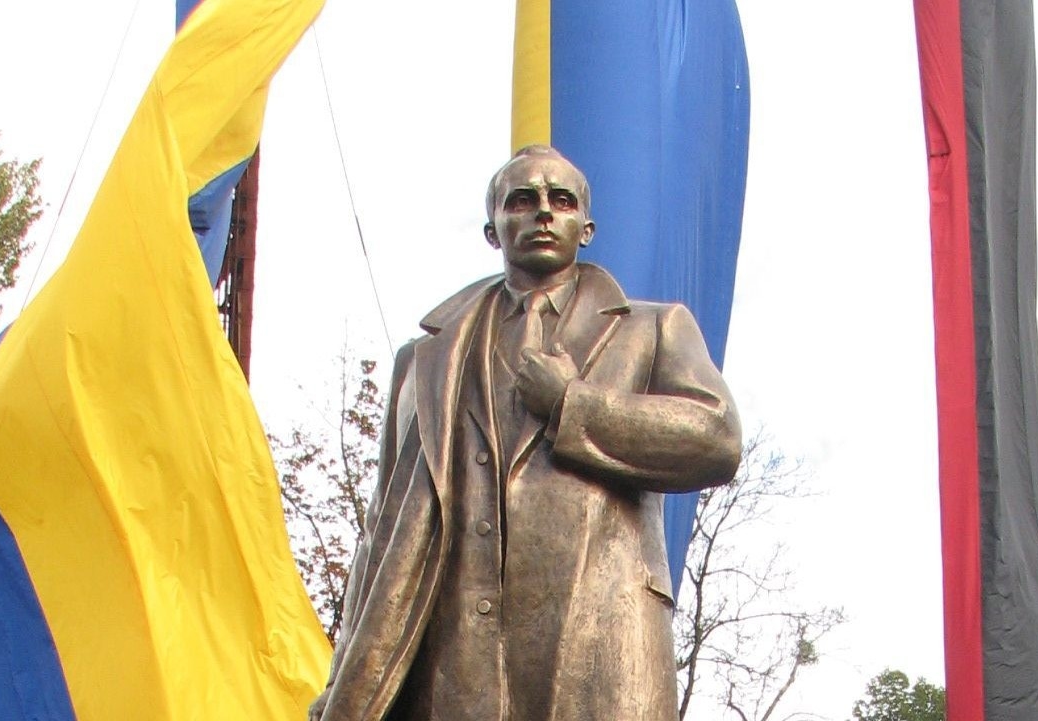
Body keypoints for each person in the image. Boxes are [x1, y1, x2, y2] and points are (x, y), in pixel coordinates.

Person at [310, 145, 741, 721]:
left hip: (598, 633)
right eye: (522, 200)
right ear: (493, 229)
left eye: (560, 201)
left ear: (585, 228)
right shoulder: (425, 358)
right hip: (456, 645)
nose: (543, 212)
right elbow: (382, 531)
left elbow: (716, 437)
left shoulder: (653, 328)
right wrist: (345, 673)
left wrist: (572, 405)